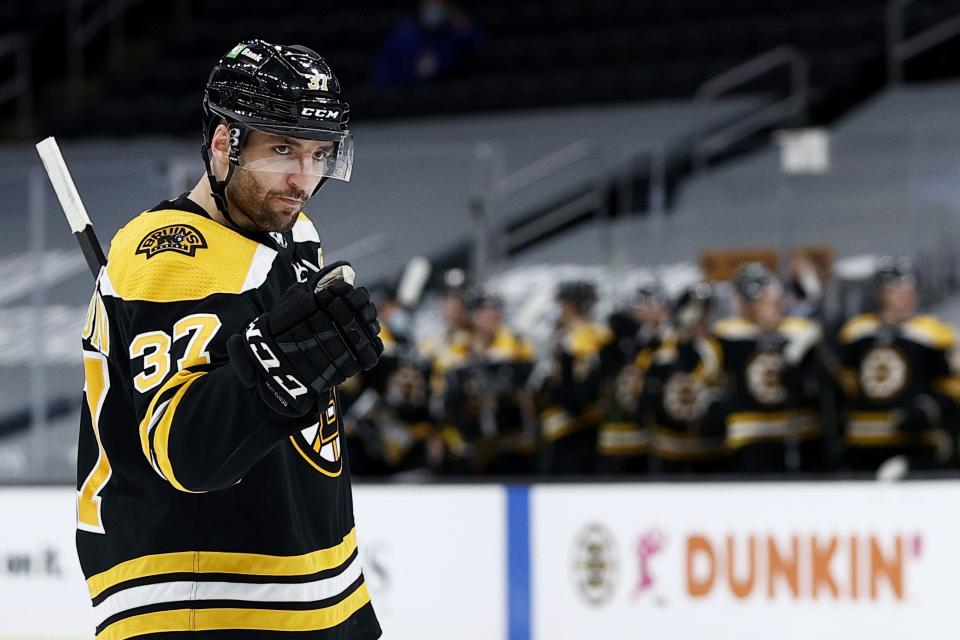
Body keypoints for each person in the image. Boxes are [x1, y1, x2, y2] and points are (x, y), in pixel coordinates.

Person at [75, 40, 383, 639]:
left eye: (320, 154)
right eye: (282, 149)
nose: (303, 178)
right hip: (203, 596)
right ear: (224, 143)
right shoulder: (170, 255)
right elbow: (187, 452)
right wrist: (279, 372)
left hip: (315, 586)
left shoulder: (290, 233)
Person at [837, 257, 960, 472]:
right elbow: (845, 386)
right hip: (863, 444)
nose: (906, 293)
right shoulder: (856, 333)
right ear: (880, 292)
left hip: (916, 446)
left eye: (909, 286)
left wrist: (929, 410)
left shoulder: (934, 333)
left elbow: (953, 388)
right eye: (896, 287)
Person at [707, 263, 824, 473]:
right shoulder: (727, 335)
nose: (772, 308)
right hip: (750, 433)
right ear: (745, 305)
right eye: (763, 302)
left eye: (775, 302)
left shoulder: (800, 332)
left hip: (798, 433)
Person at [436, 288, 537, 475]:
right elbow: (446, 402)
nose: (492, 314)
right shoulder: (457, 348)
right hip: (470, 449)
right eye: (484, 309)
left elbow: (527, 392)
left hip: (512, 446)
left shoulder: (515, 344)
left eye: (495, 308)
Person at [641, 284, 728, 474]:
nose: (702, 321)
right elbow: (647, 399)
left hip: (712, 452)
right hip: (670, 451)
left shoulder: (718, 347)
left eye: (705, 314)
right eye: (697, 315)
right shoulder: (662, 351)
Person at [536, 280, 612, 474]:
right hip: (576, 420)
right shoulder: (568, 334)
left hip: (577, 421)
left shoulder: (582, 335)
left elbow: (581, 382)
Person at [374, 0, 485, 87]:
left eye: (439, 4)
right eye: (430, 3)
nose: (434, 8)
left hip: (442, 96)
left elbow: (479, 47)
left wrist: (465, 26)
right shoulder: (404, 32)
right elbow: (385, 68)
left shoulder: (453, 33)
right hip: (406, 94)